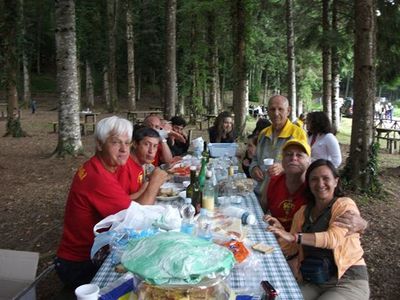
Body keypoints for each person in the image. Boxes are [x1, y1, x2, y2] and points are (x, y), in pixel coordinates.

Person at [266, 159, 369, 299]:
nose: (320, 184)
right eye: (314, 179)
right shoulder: (302, 213)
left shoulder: (344, 205)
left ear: (336, 181)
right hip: (315, 279)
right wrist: (279, 232)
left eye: (326, 178)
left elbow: (334, 239)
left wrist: (295, 236)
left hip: (348, 280)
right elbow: (291, 248)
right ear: (308, 184)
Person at [55, 116, 136, 289]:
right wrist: (155, 182)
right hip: (78, 263)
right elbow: (133, 216)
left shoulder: (102, 166)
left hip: (87, 253)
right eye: (116, 142)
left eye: (127, 143)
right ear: (99, 144)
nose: (123, 149)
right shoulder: (97, 176)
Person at [263, 139, 367, 234]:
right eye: (288, 154)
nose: (293, 158)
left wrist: (363, 224)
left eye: (299, 155)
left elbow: (339, 207)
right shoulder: (273, 181)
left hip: (303, 244)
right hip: (277, 236)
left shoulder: (315, 188)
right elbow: (261, 207)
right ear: (282, 160)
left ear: (309, 161)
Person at [249, 95, 307, 197]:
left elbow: (306, 164)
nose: (276, 113)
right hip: (260, 192)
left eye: (280, 109)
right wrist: (254, 168)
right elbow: (255, 159)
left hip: (283, 195)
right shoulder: (263, 133)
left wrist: (284, 167)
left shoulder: (298, 134)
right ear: (267, 111)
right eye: (272, 109)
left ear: (288, 111)